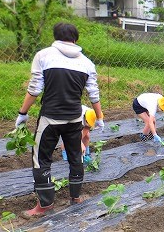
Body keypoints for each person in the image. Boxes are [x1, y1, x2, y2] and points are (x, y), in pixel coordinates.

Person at [15, 22, 105, 217]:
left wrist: (23, 113)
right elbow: (94, 94)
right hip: (74, 119)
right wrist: (99, 117)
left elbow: (35, 89)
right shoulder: (87, 63)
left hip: (50, 119)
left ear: (55, 37)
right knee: (75, 157)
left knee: (41, 158)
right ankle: (76, 197)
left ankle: (45, 205)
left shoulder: (44, 56)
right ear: (76, 39)